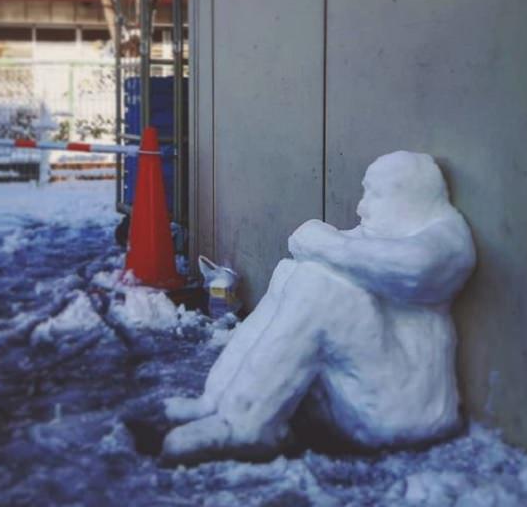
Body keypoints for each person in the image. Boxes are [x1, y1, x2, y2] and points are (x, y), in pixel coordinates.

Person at [162, 151, 476, 463]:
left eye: (375, 194)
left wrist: (317, 239)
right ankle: (219, 399)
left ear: (408, 196)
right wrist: (317, 242)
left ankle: (246, 424)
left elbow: (413, 268)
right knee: (292, 272)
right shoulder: (389, 229)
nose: (361, 207)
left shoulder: (445, 238)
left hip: (406, 408)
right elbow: (319, 248)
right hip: (364, 392)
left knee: (321, 287)